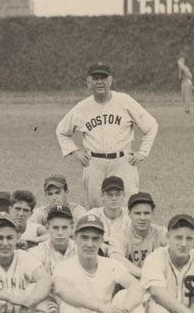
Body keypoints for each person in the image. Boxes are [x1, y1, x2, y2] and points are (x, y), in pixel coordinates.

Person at [51, 214, 158, 313]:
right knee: (68, 302)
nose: (89, 244)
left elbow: (136, 286)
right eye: (84, 238)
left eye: (95, 239)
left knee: (125, 295)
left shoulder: (110, 264)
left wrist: (122, 312)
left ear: (101, 240)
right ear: (75, 238)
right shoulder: (64, 266)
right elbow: (62, 290)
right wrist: (103, 308)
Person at [56, 62, 158, 206]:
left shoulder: (124, 101)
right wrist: (75, 151)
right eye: (95, 78)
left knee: (127, 206)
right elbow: (61, 131)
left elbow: (151, 125)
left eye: (103, 77)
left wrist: (143, 152)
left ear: (110, 80)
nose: (99, 82)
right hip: (94, 163)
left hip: (122, 162)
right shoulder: (82, 107)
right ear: (88, 82)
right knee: (96, 209)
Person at [111, 191, 167, 274]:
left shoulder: (160, 232)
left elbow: (175, 252)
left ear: (153, 213)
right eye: (137, 213)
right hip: (129, 282)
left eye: (146, 213)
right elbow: (116, 259)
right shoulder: (120, 236)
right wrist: (143, 274)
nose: (142, 218)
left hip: (157, 281)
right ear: (129, 214)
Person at [82, 176, 131, 256]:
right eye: (109, 194)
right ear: (102, 196)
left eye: (118, 194)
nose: (114, 198)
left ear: (124, 195)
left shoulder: (130, 216)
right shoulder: (92, 215)